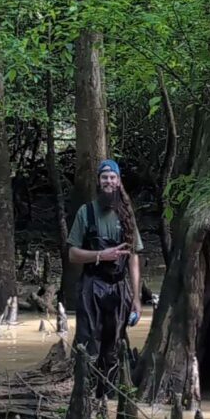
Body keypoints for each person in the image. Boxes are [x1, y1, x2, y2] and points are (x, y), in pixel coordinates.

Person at [68, 155, 143, 399]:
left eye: (113, 177)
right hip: (92, 287)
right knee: (89, 344)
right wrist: (101, 254)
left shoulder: (127, 216)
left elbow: (133, 257)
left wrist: (136, 298)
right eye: (104, 178)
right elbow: (73, 254)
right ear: (98, 182)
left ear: (119, 181)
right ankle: (85, 399)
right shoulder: (85, 213)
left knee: (114, 346)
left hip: (119, 289)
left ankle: (108, 402)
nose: (108, 181)